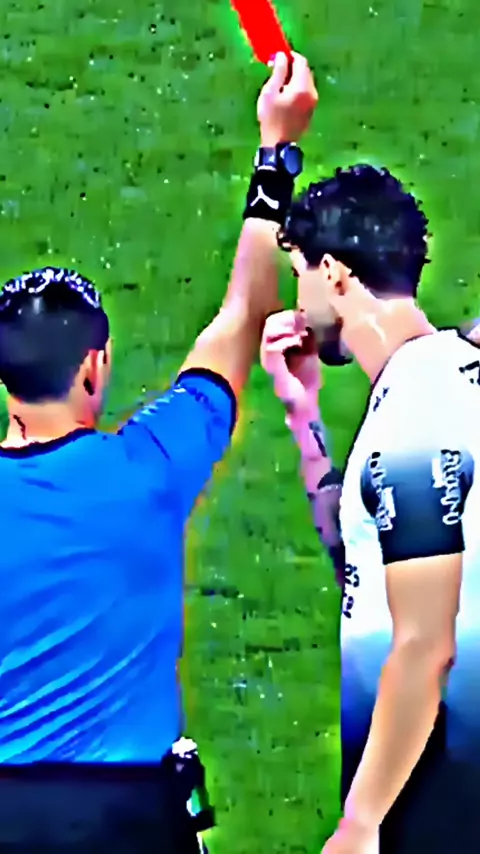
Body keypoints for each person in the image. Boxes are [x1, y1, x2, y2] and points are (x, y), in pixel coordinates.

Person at [0, 53, 317, 852]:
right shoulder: (150, 469)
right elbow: (242, 318)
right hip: (130, 819)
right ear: (95, 367)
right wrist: (275, 156)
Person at [260, 163, 480, 854]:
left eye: (298, 274)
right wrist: (304, 417)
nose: (298, 303)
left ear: (333, 273)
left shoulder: (415, 417)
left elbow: (424, 643)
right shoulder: (439, 381)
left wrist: (361, 822)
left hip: (443, 791)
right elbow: (363, 572)